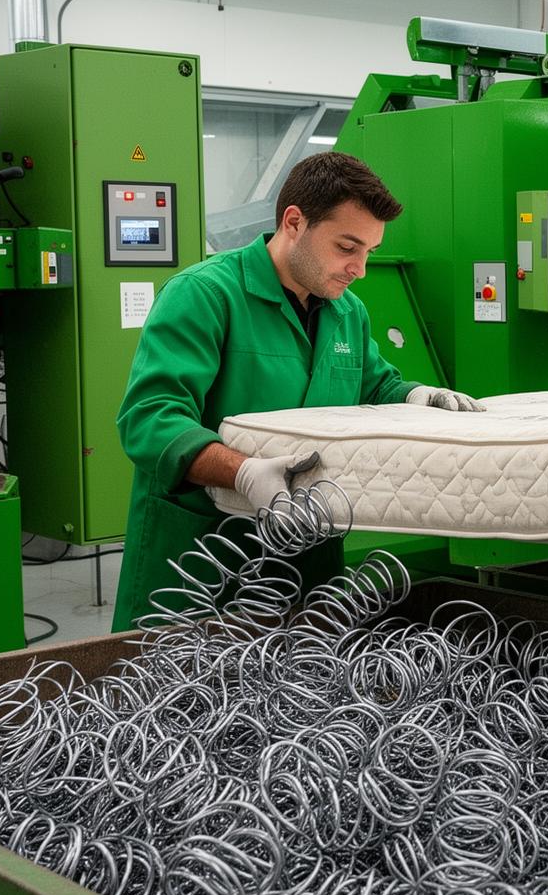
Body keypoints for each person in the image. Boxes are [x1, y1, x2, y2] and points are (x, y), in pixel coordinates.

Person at [112, 152, 483, 629]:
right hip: (207, 552)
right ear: (294, 222)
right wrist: (243, 473)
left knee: (303, 686)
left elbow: (374, 383)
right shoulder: (205, 295)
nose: (360, 269)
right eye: (347, 247)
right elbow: (150, 417)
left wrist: (418, 396)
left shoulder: (346, 311)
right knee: (188, 691)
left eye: (368, 251)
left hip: (307, 548)